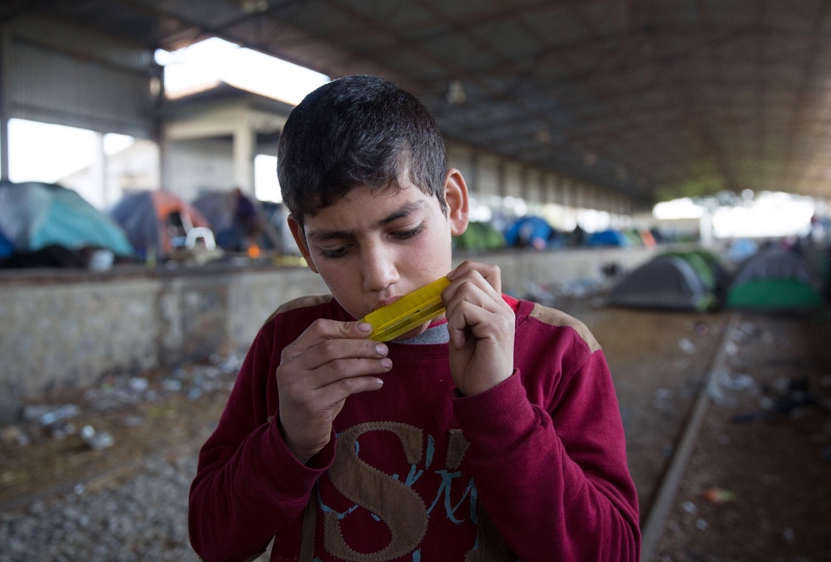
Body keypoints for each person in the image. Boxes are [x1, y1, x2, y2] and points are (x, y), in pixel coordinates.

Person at [188, 74, 640, 562]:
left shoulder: (558, 350)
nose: (379, 277)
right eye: (336, 248)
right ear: (303, 246)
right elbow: (215, 541)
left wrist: (499, 404)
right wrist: (287, 440)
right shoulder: (290, 346)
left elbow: (611, 552)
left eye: (403, 230)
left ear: (454, 205)